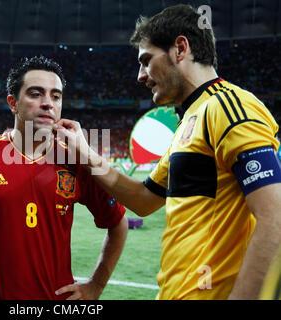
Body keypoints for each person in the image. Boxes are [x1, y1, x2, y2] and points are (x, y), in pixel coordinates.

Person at [54, 4, 281, 300]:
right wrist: (86, 154)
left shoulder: (227, 107)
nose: (140, 75)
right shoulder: (189, 121)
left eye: (146, 60)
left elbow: (275, 217)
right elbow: (144, 200)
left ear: (180, 48)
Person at [0, 56, 128, 300]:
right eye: (36, 94)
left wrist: (96, 284)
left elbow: (118, 223)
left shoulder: (76, 160)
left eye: (56, 96)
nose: (48, 103)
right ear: (13, 103)